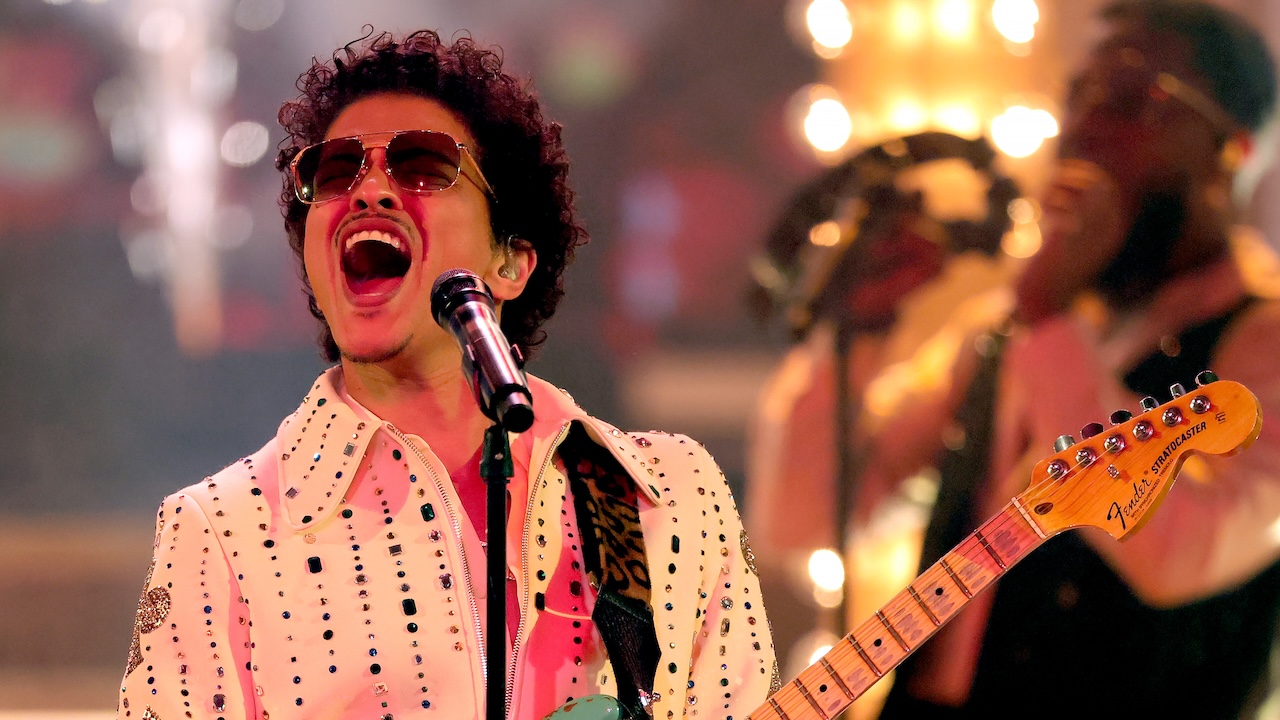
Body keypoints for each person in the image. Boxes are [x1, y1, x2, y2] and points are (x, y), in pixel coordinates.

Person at [117, 30, 776, 720]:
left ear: (512, 262)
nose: (369, 189)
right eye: (336, 172)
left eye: (424, 166)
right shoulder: (223, 532)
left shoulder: (671, 494)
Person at [752, 1, 1280, 718]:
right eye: (1079, 96)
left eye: (1133, 101)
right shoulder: (1003, 330)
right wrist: (860, 333)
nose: (1086, 129)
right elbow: (799, 523)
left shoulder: (1263, 340)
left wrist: (1048, 321)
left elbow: (1179, 556)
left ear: (1234, 148)